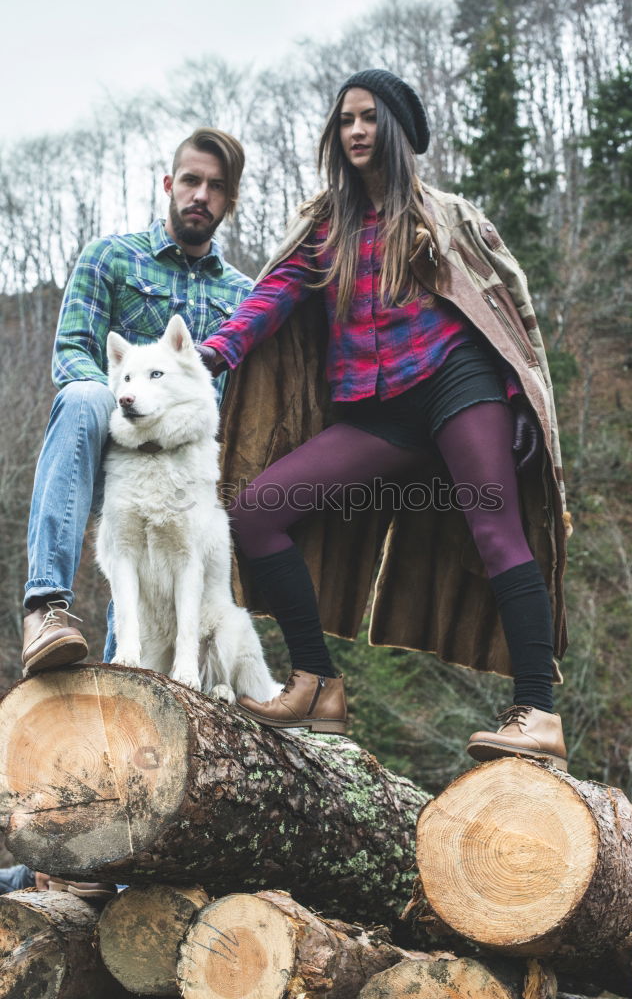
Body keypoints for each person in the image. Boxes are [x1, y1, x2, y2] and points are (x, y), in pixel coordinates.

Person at [196, 69, 572, 768]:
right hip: (379, 411)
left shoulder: (445, 214)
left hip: (458, 384)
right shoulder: (325, 226)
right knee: (256, 512)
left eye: (368, 117)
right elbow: (271, 296)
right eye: (345, 120)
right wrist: (216, 351)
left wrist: (518, 401)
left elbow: (505, 311)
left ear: (393, 128)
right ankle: (318, 683)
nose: (356, 131)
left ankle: (537, 714)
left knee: (496, 530)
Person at [22, 127, 252, 674]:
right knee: (80, 397)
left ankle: (130, 688)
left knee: (162, 584)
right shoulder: (110, 258)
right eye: (191, 180)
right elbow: (73, 352)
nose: (201, 195)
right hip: (113, 445)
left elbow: (244, 398)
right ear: (170, 184)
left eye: (215, 187)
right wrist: (130, 411)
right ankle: (46, 606)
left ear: (230, 200)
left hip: (188, 462)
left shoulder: (244, 295)